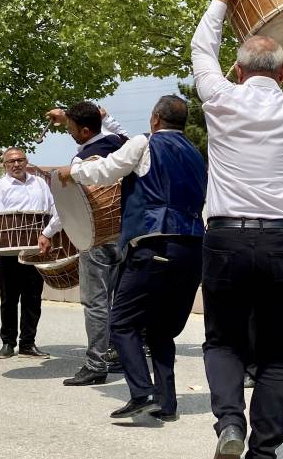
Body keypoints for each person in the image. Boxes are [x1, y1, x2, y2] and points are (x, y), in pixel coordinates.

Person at [192, 0, 283, 459]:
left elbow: (202, 51)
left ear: (243, 70)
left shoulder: (221, 99)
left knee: (222, 341)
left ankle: (230, 421)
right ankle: (264, 451)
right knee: (277, 353)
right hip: (282, 240)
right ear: (279, 71)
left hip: (226, 236)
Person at [61, 95, 205, 423]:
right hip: (193, 248)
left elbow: (106, 171)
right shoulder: (196, 154)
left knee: (122, 323)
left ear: (155, 119)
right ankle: (166, 403)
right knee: (160, 330)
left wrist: (76, 169)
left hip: (154, 245)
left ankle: (143, 394)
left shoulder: (145, 143)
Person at [46, 101, 128, 386]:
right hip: (124, 233)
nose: (68, 132)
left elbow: (68, 207)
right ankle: (120, 353)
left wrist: (47, 231)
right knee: (118, 300)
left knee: (95, 303)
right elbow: (111, 128)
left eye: (70, 129)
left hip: (96, 238)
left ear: (83, 131)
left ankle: (96, 364)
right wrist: (68, 116)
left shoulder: (82, 163)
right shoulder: (119, 144)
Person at [0, 147, 57, 360]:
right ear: (4, 165)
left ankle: (28, 343)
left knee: (33, 299)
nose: (16, 164)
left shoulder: (41, 184)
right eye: (11, 161)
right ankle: (7, 342)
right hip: (9, 254)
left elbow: (52, 210)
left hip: (36, 251)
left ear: (26, 161)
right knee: (9, 299)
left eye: (20, 160)